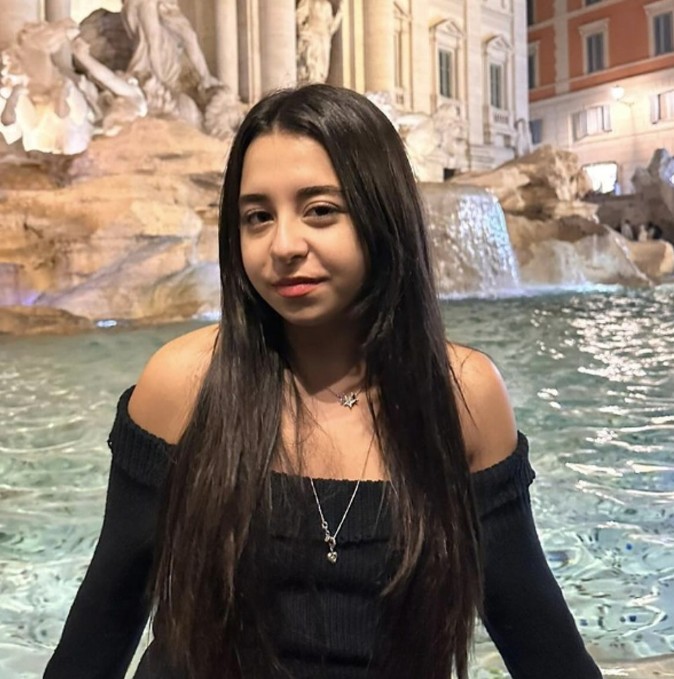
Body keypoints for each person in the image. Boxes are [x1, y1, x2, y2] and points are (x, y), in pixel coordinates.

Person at [44, 84, 602, 679]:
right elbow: (102, 628)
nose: (283, 246)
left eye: (320, 211)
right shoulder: (183, 382)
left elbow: (542, 645)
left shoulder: (463, 395)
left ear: (382, 215)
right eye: (257, 217)